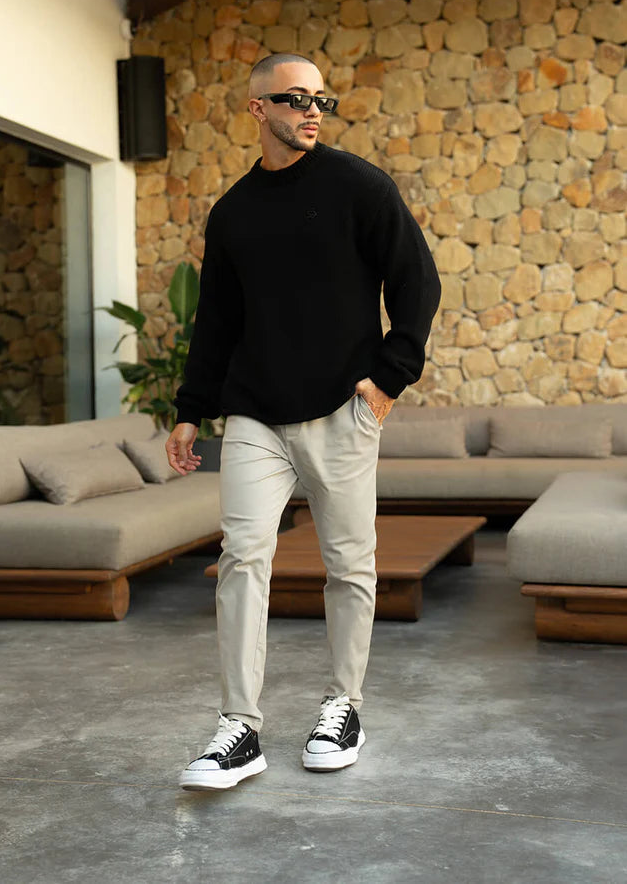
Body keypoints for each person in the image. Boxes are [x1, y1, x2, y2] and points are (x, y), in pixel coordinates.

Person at [166, 52, 441, 791]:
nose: (313, 110)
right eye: (295, 98)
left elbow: (417, 280)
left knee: (350, 565)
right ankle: (239, 727)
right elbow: (217, 320)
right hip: (254, 414)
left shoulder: (359, 186)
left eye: (322, 99)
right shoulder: (233, 213)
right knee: (242, 558)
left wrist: (388, 379)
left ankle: (344, 706)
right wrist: (191, 409)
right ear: (258, 108)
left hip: (342, 410)